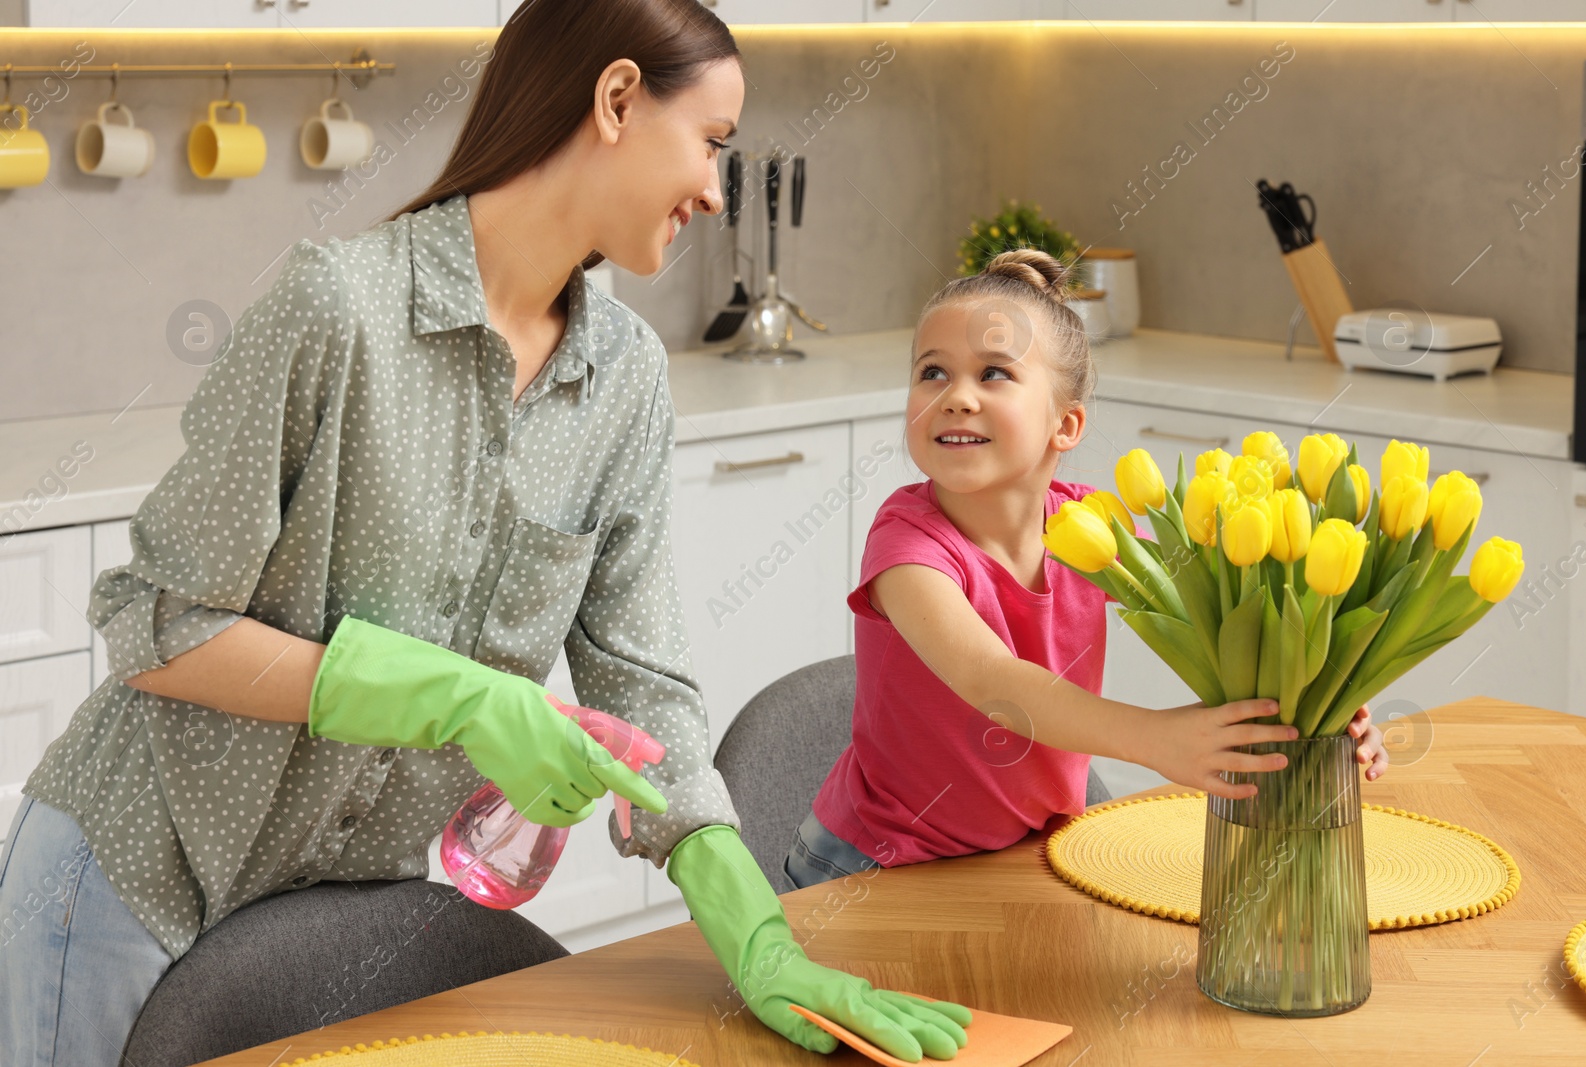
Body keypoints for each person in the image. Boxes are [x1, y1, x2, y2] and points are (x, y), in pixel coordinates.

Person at [0, 2, 970, 1062]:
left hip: (349, 902)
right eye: (711, 142)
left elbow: (645, 687)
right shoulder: (339, 311)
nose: (712, 189)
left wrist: (757, 932)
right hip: (131, 876)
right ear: (614, 100)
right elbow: (156, 624)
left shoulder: (625, 382)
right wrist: (460, 698)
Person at [785, 248, 1391, 890]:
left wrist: (1323, 710)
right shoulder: (907, 545)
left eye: (993, 374)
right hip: (876, 865)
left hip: (1023, 854)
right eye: (932, 372)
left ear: (1065, 424)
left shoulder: (1092, 532)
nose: (956, 397)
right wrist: (1157, 739)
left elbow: (1223, 619)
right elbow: (993, 681)